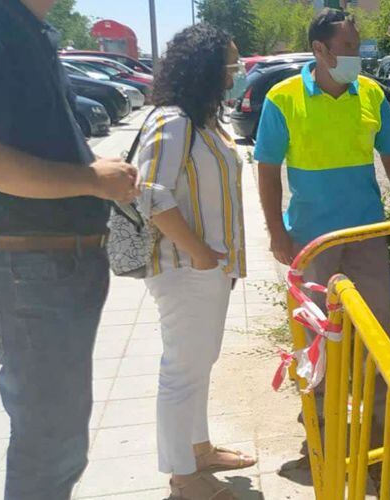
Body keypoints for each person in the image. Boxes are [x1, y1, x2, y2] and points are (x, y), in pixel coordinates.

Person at [0, 0, 139, 498]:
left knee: (57, 439)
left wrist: (93, 166)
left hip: (48, 266)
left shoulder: (29, 30)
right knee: (50, 444)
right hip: (28, 267)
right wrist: (90, 179)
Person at [135, 24, 254, 499]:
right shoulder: (174, 119)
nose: (237, 68)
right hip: (186, 269)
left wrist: (217, 262)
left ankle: (199, 449)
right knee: (182, 370)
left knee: (199, 364)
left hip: (211, 269)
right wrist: (201, 254)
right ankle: (183, 477)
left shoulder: (204, 120)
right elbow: (151, 193)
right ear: (206, 67)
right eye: (230, 59)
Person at [256, 8, 390, 331]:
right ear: (319, 49)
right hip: (313, 237)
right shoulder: (282, 98)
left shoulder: (371, 93)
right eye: (348, 47)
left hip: (366, 230)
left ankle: (374, 383)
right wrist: (276, 232)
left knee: (375, 322)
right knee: (317, 324)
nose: (356, 55)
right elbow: (268, 171)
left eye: (357, 46)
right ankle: (322, 384)